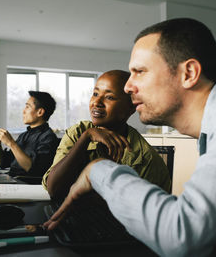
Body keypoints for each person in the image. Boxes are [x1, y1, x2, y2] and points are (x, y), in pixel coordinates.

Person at [44, 18, 216, 257]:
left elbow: (182, 235)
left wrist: (98, 170)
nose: (129, 87)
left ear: (188, 73)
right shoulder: (214, 127)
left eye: (139, 72)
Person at [42, 70, 171, 198]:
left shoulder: (146, 159)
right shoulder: (78, 132)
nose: (96, 103)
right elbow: (53, 188)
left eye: (109, 97)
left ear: (131, 107)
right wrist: (86, 137)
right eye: (95, 93)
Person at [0, 91, 59, 178]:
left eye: (28, 107)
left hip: (25, 184)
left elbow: (33, 169)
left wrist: (11, 143)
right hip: (11, 179)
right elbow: (2, 163)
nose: (23, 111)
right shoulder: (24, 135)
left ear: (40, 112)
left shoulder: (48, 137)